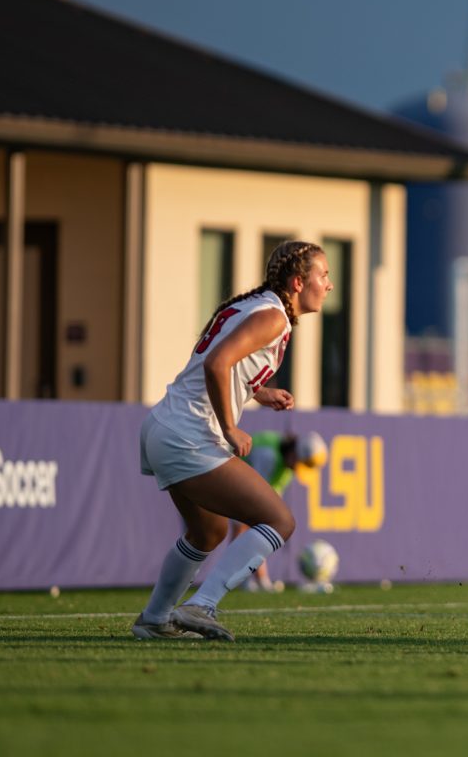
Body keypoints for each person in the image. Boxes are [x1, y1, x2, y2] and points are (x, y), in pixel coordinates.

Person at [132, 241, 332, 641]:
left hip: (163, 427)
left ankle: (155, 619)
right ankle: (200, 606)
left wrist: (259, 392)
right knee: (280, 520)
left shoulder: (258, 306)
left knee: (206, 532)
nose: (328, 285)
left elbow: (218, 364)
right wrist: (229, 426)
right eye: (323, 276)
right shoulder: (274, 317)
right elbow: (215, 363)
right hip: (188, 434)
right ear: (298, 282)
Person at [232, 429, 328, 592]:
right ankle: (243, 579)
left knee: (260, 525)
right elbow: (251, 507)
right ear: (294, 454)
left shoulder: (286, 467)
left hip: (239, 483)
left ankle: (251, 579)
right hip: (224, 479)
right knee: (239, 529)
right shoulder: (268, 456)